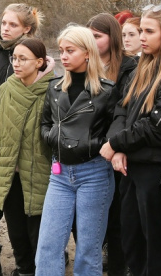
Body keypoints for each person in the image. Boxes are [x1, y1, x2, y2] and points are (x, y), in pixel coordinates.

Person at [100, 4, 161, 276]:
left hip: (154, 171)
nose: (142, 36)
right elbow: (122, 108)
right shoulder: (143, 66)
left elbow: (158, 128)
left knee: (157, 244)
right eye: (141, 30)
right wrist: (117, 146)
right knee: (131, 239)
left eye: (149, 31)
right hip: (131, 165)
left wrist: (118, 144)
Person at [37, 26, 117, 276]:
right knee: (48, 246)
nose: (64, 56)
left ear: (87, 53)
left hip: (94, 173)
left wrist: (90, 145)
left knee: (88, 249)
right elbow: (45, 124)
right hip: (59, 174)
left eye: (70, 50)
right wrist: (55, 138)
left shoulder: (108, 91)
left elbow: (115, 130)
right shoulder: (55, 88)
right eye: (61, 51)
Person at [0, 3, 43, 276]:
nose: (5, 28)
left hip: (26, 153)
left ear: (26, 28)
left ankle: (30, 265)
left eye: (12, 24)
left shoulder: (36, 57)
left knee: (24, 215)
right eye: (4, 22)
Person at [0, 37, 55, 276]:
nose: (16, 63)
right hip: (10, 175)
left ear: (40, 62)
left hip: (39, 176)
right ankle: (23, 270)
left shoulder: (53, 91)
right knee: (16, 234)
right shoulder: (5, 90)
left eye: (23, 59)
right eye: (15, 58)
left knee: (39, 234)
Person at [86, 13, 137, 276]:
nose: (92, 42)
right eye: (90, 36)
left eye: (98, 36)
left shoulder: (129, 67)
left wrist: (115, 143)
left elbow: (124, 109)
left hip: (116, 149)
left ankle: (119, 265)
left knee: (118, 216)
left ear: (112, 37)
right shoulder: (85, 65)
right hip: (89, 150)